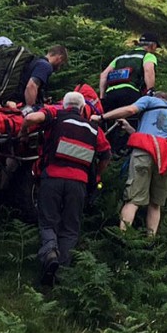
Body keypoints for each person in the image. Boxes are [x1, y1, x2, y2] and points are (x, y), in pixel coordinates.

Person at [23, 91, 111, 286]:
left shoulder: (55, 118)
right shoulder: (94, 129)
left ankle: (50, 253)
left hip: (52, 177)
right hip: (78, 184)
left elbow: (31, 119)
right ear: (82, 109)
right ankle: (61, 275)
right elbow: (106, 155)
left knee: (48, 222)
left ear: (64, 106)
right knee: (70, 229)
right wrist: (96, 176)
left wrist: (22, 132)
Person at [98, 91, 167, 236]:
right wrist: (130, 129)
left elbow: (130, 110)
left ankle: (122, 237)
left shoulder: (149, 100)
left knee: (133, 200)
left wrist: (101, 117)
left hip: (145, 153)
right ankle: (150, 240)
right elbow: (156, 135)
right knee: (155, 204)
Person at [98, 32, 161, 153]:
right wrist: (150, 90)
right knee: (133, 122)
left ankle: (108, 151)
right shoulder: (147, 55)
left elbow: (103, 75)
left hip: (111, 93)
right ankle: (126, 151)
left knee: (110, 122)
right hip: (130, 92)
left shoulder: (120, 57)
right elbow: (148, 70)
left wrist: (102, 96)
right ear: (152, 45)